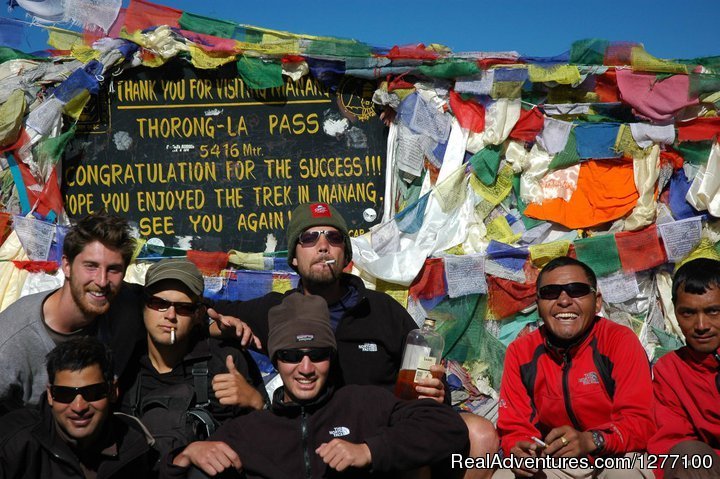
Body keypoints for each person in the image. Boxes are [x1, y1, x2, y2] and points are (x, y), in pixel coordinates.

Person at [212, 202, 498, 478]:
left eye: (333, 237)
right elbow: (189, 313)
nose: (323, 246)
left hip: (384, 429)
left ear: (346, 255)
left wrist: (436, 390)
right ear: (294, 259)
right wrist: (223, 326)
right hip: (318, 431)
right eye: (309, 237)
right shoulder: (276, 313)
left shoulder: (381, 310)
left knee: (479, 434)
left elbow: (426, 371)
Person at [162, 293, 470, 478]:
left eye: (318, 355)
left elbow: (448, 428)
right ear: (276, 360)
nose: (306, 368)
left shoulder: (363, 404)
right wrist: (184, 455)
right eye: (292, 356)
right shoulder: (249, 430)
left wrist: (369, 451)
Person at [494, 256, 655, 478]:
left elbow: (640, 423)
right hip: (555, 462)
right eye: (551, 293)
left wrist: (593, 440)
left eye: (576, 290)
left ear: (597, 301)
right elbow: (514, 426)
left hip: (615, 455)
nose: (563, 301)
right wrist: (521, 450)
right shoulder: (521, 352)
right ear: (538, 305)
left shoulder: (619, 341)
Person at [120, 258, 268, 460]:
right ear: (144, 306)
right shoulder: (124, 362)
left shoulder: (225, 361)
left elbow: (267, 444)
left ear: (198, 314)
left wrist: (256, 402)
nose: (170, 315)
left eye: (183, 308)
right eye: (159, 303)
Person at [0, 212, 142, 413]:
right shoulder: (11, 342)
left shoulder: (128, 306)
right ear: (66, 266)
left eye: (113, 269)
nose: (101, 281)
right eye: (91, 266)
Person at [0, 336, 156, 478]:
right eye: (64, 394)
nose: (79, 407)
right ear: (50, 394)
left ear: (112, 391)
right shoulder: (14, 443)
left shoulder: (134, 447)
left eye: (92, 392)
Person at [647, 258, 720, 479]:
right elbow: (671, 440)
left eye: (713, 311)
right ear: (674, 313)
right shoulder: (669, 371)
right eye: (687, 313)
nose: (701, 326)